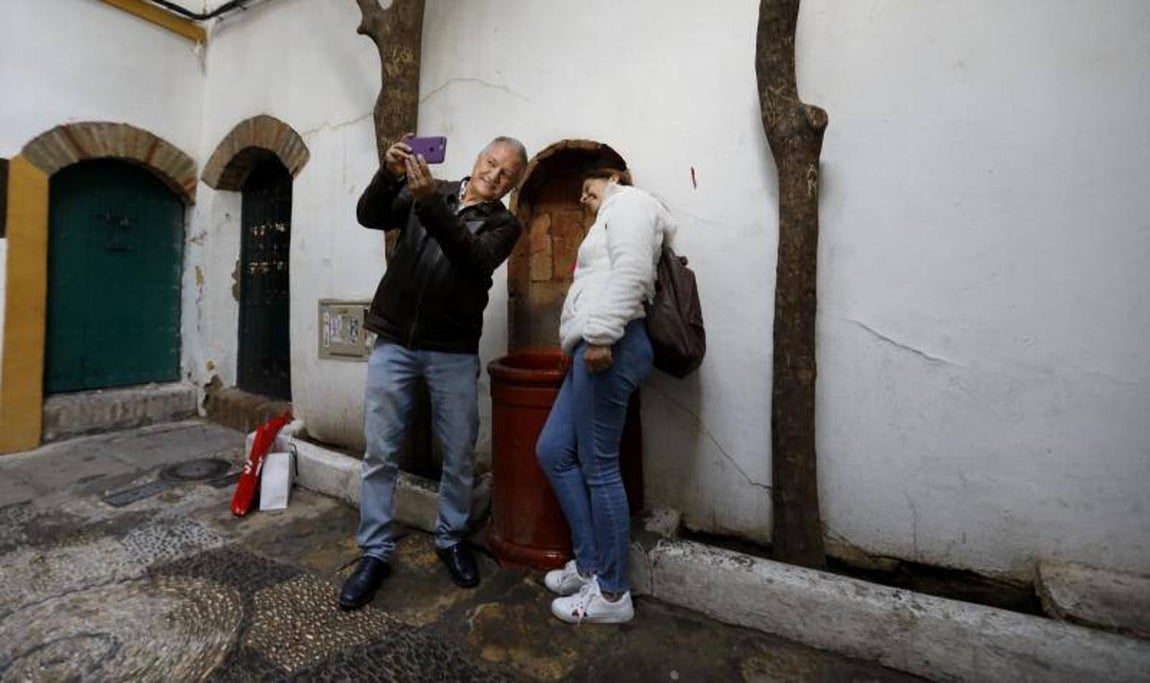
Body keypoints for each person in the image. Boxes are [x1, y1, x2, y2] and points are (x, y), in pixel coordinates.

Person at [339, 135, 528, 611]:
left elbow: (473, 260)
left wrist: (429, 205)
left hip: (452, 351)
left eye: (506, 173)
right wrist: (388, 174)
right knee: (381, 451)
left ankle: (450, 539)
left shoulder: (505, 225)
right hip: (396, 341)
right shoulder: (433, 188)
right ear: (478, 157)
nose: (494, 174)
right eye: (491, 162)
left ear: (514, 183)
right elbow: (369, 215)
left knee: (460, 452)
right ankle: (376, 551)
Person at [536, 168, 675, 624]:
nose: (583, 195)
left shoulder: (630, 203)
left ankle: (613, 596)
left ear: (613, 177)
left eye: (588, 186)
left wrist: (599, 335)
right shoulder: (609, 217)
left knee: (600, 468)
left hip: (612, 343)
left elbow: (633, 271)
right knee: (554, 450)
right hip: (594, 346)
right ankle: (591, 564)